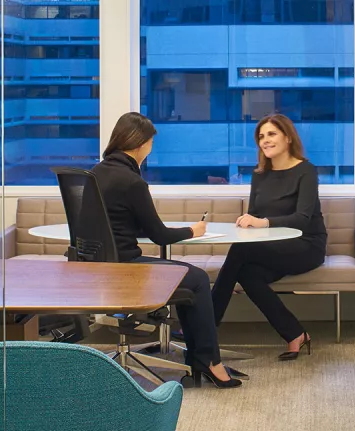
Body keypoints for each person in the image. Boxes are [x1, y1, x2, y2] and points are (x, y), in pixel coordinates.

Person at [90, 112, 242, 388]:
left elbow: (115, 223)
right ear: (141, 144)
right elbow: (158, 235)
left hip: (97, 268)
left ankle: (200, 358)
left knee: (187, 278)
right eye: (150, 143)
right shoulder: (132, 181)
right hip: (125, 269)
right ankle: (209, 361)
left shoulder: (96, 173)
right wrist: (192, 231)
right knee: (196, 279)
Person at [211, 114, 327, 360]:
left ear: (287, 137)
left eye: (272, 134)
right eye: (261, 136)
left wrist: (263, 223)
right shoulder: (260, 174)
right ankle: (295, 334)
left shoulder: (306, 170)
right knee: (246, 272)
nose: (265, 140)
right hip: (274, 247)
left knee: (240, 253)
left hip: (306, 246)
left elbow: (303, 218)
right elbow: (255, 214)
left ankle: (207, 325)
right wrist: (246, 222)